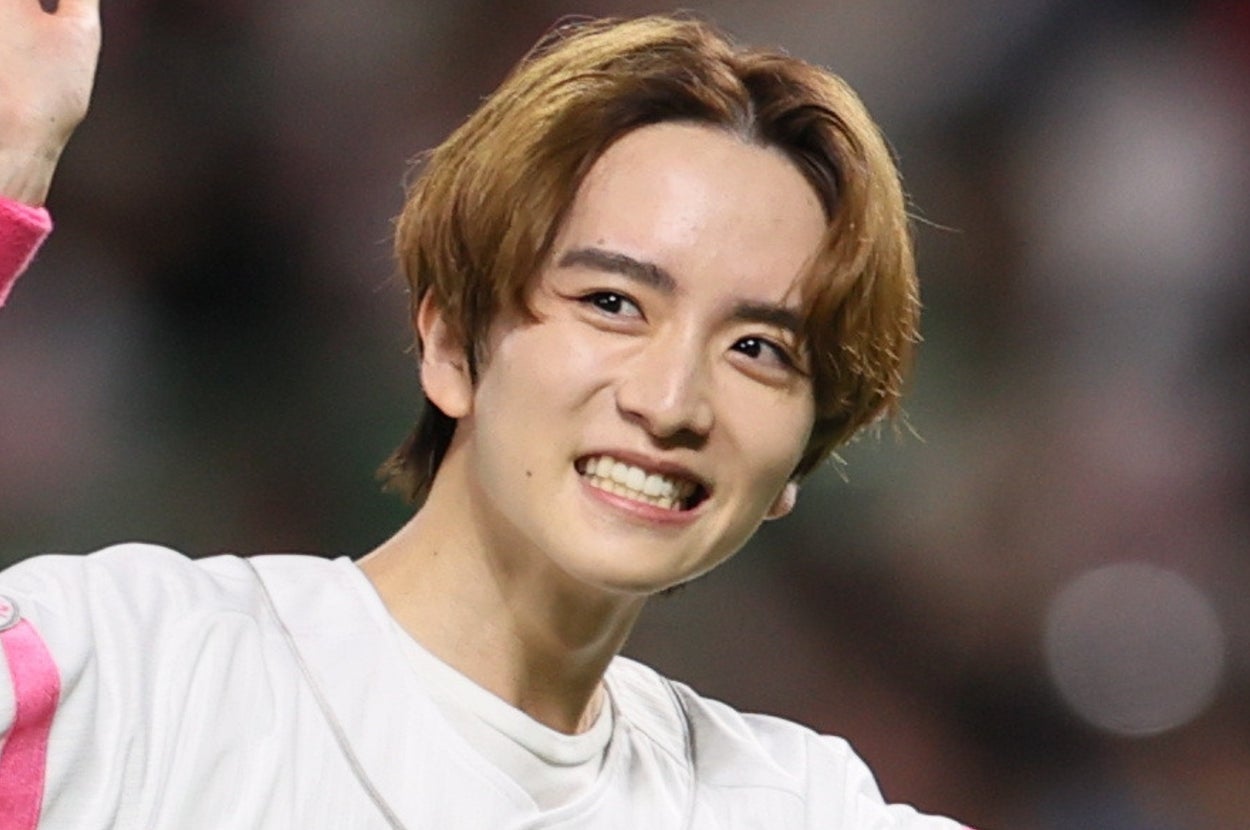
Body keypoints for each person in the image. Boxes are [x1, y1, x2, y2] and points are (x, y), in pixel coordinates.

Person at [0, 3, 971, 828]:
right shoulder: (137, 671)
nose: (671, 400)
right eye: (612, 302)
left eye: (757, 349)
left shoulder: (787, 804)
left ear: (803, 454)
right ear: (452, 343)